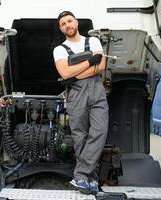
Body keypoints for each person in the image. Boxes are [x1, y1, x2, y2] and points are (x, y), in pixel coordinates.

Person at [53, 11, 109, 195]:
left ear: (76, 22)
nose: (67, 25)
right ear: (61, 29)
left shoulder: (92, 41)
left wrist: (76, 72)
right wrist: (89, 62)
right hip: (76, 95)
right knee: (80, 137)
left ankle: (81, 175)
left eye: (70, 21)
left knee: (99, 131)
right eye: (63, 24)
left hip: (96, 89)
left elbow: (100, 67)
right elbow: (65, 74)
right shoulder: (59, 49)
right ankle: (90, 180)